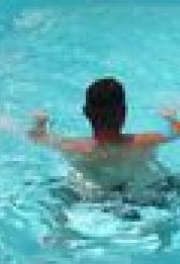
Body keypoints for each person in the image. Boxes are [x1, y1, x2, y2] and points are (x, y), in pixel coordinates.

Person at [30, 76, 171, 187]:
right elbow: (177, 131)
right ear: (124, 111)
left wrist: (40, 123)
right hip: (141, 194)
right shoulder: (146, 142)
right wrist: (170, 117)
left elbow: (37, 138)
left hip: (92, 199)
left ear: (86, 112)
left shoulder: (73, 147)